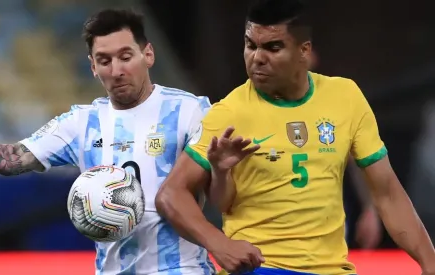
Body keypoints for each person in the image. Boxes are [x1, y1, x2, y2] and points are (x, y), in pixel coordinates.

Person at [155, 0, 435, 274]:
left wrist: (429, 261)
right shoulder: (228, 113)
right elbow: (171, 194)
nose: (257, 57)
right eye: (250, 45)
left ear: (304, 51)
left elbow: (387, 193)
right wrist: (219, 244)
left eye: (273, 47)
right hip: (263, 267)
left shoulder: (345, 97)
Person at [0, 8, 215, 275]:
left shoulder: (190, 111)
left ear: (148, 55)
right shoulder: (82, 122)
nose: (117, 70)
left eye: (125, 56)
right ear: (93, 67)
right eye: (104, 60)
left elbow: (223, 188)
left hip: (182, 268)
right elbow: (14, 158)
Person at [309, 50, 382, 249]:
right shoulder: (251, 108)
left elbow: (357, 161)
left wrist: (370, 209)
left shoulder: (332, 106)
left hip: (329, 222)